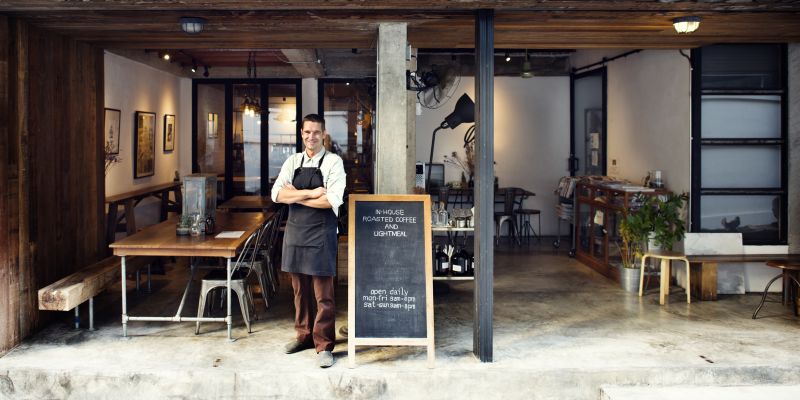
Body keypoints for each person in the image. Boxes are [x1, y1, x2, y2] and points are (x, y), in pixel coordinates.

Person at [271, 114, 346, 368]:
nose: (311, 137)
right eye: (307, 132)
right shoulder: (293, 161)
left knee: (323, 295)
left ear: (323, 134)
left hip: (321, 235)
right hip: (295, 233)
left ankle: (324, 344)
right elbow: (277, 194)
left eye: (316, 132)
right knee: (299, 292)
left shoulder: (334, 163)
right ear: (301, 134)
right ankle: (303, 336)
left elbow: (331, 200)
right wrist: (309, 193)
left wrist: (296, 195)